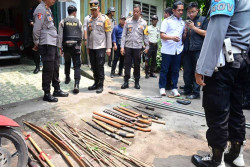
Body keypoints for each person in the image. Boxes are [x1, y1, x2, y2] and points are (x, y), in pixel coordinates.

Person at [192, 0, 250, 166]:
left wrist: (201, 67)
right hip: (243, 59)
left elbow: (216, 32)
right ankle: (236, 154)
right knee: (236, 108)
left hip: (224, 61)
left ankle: (217, 159)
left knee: (217, 108)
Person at [33, 0, 69, 102]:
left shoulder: (47, 9)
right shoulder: (40, 9)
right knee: (48, 68)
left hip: (52, 42)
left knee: (55, 66)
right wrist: (36, 42)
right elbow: (36, 28)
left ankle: (56, 89)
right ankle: (47, 92)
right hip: (46, 43)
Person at [181, 2, 208, 99]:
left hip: (198, 50)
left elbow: (206, 33)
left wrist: (194, 28)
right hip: (187, 50)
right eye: (189, 12)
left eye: (193, 12)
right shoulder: (187, 21)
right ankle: (187, 89)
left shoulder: (203, 20)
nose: (191, 14)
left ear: (198, 11)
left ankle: (196, 93)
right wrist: (185, 32)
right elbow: (184, 38)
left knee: (197, 71)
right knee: (187, 71)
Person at [159, 1, 186, 96]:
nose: (181, 12)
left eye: (182, 10)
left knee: (175, 70)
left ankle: (174, 88)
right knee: (164, 70)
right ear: (173, 10)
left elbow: (183, 36)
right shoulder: (166, 21)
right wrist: (172, 38)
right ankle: (162, 87)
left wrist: (185, 33)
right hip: (167, 50)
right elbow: (162, 35)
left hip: (177, 50)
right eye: (179, 10)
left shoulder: (183, 23)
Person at [120, 4, 149, 90]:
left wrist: (147, 47)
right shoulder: (127, 21)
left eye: (137, 12)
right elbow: (123, 35)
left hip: (137, 47)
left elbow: (146, 36)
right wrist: (122, 47)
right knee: (127, 65)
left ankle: (137, 82)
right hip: (128, 46)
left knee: (137, 65)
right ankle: (126, 82)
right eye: (134, 12)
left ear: (140, 12)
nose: (135, 13)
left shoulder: (144, 23)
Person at [86, 0, 112, 94]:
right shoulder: (90, 20)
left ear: (99, 8)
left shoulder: (105, 19)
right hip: (92, 47)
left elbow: (108, 34)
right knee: (93, 66)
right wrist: (88, 47)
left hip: (101, 46)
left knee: (100, 66)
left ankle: (101, 84)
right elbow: (88, 35)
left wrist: (109, 48)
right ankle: (96, 83)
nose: (93, 12)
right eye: (92, 10)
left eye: (95, 10)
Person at [58, 5, 83, 94]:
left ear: (68, 12)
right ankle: (76, 84)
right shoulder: (78, 21)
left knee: (67, 62)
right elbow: (81, 34)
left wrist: (60, 47)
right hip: (76, 46)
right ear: (75, 12)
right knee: (77, 65)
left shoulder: (63, 21)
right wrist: (79, 45)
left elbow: (60, 35)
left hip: (66, 46)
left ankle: (67, 78)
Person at [27, 0, 42, 74]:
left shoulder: (48, 9)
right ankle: (37, 66)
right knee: (36, 49)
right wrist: (34, 24)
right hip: (36, 32)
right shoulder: (33, 8)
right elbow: (30, 20)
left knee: (46, 49)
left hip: (45, 33)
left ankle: (46, 66)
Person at [145, 15, 159, 79]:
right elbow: (145, 36)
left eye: (155, 19)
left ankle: (151, 73)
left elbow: (158, 37)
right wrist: (146, 44)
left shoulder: (158, 28)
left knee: (154, 60)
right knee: (147, 59)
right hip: (149, 45)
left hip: (155, 45)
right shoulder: (148, 28)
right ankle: (146, 73)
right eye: (153, 19)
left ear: (157, 21)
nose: (154, 21)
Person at [163, 7, 173, 90]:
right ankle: (165, 85)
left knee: (168, 69)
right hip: (166, 49)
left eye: (165, 13)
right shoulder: (165, 22)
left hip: (172, 50)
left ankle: (168, 84)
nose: (164, 15)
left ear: (167, 14)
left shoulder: (171, 23)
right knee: (166, 69)